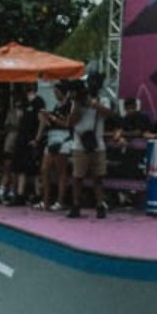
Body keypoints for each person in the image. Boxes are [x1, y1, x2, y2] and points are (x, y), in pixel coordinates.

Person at [67, 78, 108, 218]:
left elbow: (109, 114)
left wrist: (94, 104)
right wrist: (78, 105)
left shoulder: (103, 100)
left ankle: (100, 205)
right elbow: (71, 122)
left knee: (98, 177)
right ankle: (76, 205)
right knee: (77, 177)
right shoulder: (76, 102)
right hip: (80, 144)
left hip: (98, 144)